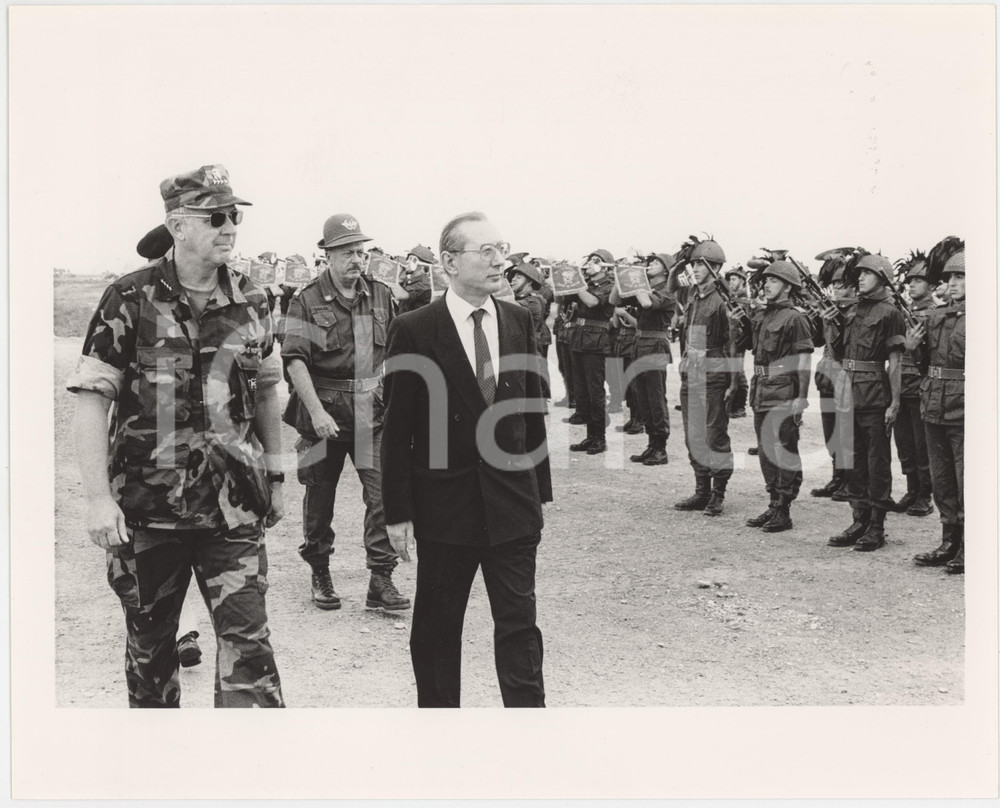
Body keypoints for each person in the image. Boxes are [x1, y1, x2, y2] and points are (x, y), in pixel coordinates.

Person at [66, 164, 285, 707]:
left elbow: (264, 394)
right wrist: (97, 500)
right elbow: (92, 402)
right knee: (151, 653)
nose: (230, 226)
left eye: (234, 215)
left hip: (233, 511)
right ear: (178, 224)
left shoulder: (252, 301)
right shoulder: (129, 299)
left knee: (250, 651)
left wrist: (278, 474)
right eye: (216, 217)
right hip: (147, 513)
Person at [380, 211, 551, 708]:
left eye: (504, 248)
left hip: (512, 507)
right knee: (436, 629)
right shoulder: (414, 328)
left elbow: (531, 409)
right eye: (488, 251)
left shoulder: (520, 320)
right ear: (449, 262)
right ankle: (440, 735)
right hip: (445, 509)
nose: (502, 260)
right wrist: (398, 511)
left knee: (519, 627)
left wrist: (537, 493)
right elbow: (397, 428)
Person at [281, 213, 408, 611]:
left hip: (373, 415)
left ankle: (381, 580)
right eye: (348, 252)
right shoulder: (307, 300)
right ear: (329, 255)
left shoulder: (381, 295)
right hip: (324, 417)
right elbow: (295, 360)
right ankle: (320, 571)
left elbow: (398, 352)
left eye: (361, 251)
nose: (358, 258)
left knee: (383, 496)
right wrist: (316, 412)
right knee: (320, 499)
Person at [826, 254, 906, 551]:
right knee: (853, 460)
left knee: (877, 462)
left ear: (882, 278)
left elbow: (895, 362)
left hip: (875, 396)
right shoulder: (852, 310)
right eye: (859, 274)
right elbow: (837, 355)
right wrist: (830, 327)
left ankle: (876, 527)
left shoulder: (890, 313)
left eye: (866, 274)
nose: (859, 278)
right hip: (848, 394)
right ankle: (858, 519)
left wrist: (895, 402)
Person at [732, 261, 813, 532]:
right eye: (765, 281)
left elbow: (803, 363)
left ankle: (784, 509)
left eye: (774, 281)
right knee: (766, 451)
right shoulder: (762, 316)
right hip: (761, 388)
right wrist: (737, 325)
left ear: (788, 286)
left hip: (783, 390)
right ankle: (773, 503)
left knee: (784, 449)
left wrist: (801, 398)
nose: (766, 285)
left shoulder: (796, 318)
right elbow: (746, 347)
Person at [910, 250, 965, 573]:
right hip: (933, 406)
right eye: (949, 278)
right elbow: (925, 366)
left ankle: (972, 547)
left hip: (964, 409)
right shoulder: (935, 316)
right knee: (942, 480)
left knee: (967, 482)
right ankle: (949, 541)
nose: (952, 283)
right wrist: (914, 349)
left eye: (960, 277)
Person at [673, 239, 735, 515]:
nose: (695, 268)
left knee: (714, 435)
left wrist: (734, 382)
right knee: (693, 436)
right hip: (692, 373)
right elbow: (670, 288)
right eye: (694, 263)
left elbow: (732, 343)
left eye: (701, 264)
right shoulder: (692, 297)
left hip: (713, 375)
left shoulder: (723, 301)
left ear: (716, 268)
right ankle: (702, 490)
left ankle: (718, 494)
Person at [613, 253, 675, 463]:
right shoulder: (647, 289)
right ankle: (651, 444)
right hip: (639, 345)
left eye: (656, 263)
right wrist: (619, 276)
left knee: (656, 398)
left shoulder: (667, 292)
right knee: (643, 398)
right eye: (650, 262)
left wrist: (636, 279)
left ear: (666, 270)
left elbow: (647, 303)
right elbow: (614, 300)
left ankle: (661, 448)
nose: (650, 265)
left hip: (655, 347)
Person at [892, 254, 940, 517]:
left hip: (922, 387)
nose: (911, 285)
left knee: (923, 447)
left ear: (931, 285)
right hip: (902, 385)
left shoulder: (938, 313)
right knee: (905, 445)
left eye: (918, 280)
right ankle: (911, 490)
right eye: (909, 280)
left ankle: (925, 495)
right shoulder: (903, 312)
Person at [564, 250, 617, 454]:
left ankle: (600, 438)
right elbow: (560, 296)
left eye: (597, 261)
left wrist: (578, 283)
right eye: (591, 260)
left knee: (595, 392)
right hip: (579, 339)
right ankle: (590, 436)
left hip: (596, 340)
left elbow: (592, 302)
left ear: (606, 267)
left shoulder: (609, 286)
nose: (591, 264)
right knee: (582, 391)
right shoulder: (586, 284)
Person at [810, 265, 854, 499]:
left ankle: (850, 480)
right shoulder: (832, 309)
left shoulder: (855, 314)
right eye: (834, 284)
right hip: (827, 378)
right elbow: (816, 341)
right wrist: (820, 316)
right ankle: (837, 476)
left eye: (842, 284)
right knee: (831, 432)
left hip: (845, 378)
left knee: (846, 432)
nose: (836, 288)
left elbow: (843, 345)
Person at [724, 266, 751, 418]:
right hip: (730, 337)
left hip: (739, 338)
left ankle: (740, 407)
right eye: (729, 279)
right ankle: (734, 404)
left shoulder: (744, 298)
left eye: (734, 279)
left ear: (742, 281)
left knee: (738, 371)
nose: (730, 282)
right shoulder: (730, 297)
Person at [393, 244, 434, 314]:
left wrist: (391, 276)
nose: (407, 262)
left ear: (421, 264)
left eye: (411, 259)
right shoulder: (411, 280)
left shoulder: (424, 284)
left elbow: (399, 295)